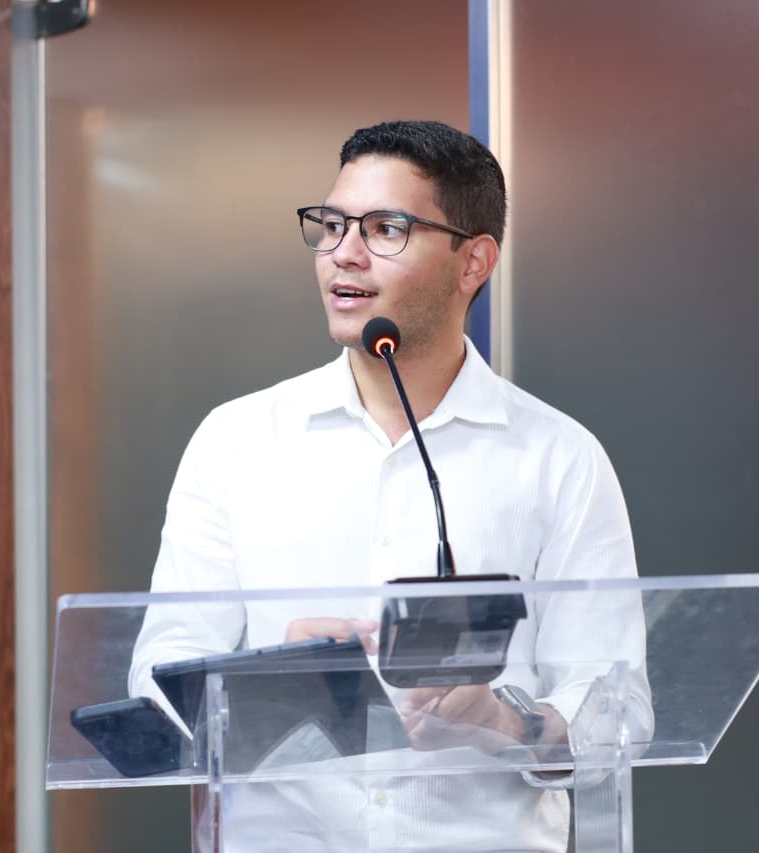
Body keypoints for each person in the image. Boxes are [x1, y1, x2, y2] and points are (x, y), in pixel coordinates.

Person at [129, 120, 650, 852]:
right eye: (332, 225)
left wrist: (506, 722)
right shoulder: (235, 440)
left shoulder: (560, 457)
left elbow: (617, 713)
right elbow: (156, 686)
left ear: (473, 262)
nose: (343, 252)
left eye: (385, 229)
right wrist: (276, 682)